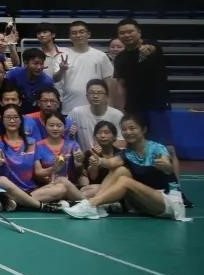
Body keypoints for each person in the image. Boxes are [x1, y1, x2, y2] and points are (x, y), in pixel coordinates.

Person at [65, 113, 185, 221]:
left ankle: (91, 204)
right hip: (145, 201)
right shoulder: (128, 153)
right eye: (124, 129)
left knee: (125, 181)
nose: (128, 132)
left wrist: (166, 166)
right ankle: (97, 206)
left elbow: (167, 166)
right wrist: (99, 160)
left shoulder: (157, 148)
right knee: (120, 170)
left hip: (168, 202)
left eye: (132, 128)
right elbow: (111, 163)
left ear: (143, 130)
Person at [0, 104, 78, 212]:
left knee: (61, 188)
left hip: (32, 191)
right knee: (1, 180)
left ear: (21, 120)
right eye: (8, 117)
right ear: (2, 120)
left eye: (16, 117)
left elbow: (38, 171)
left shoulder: (31, 142)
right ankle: (42, 206)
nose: (12, 120)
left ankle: (19, 202)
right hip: (9, 190)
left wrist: (54, 168)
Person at [113, 17, 172, 152]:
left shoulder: (153, 46)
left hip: (157, 106)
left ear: (139, 32)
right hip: (134, 109)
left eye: (130, 31)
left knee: (165, 147)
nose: (126, 35)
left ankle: (171, 167)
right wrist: (122, 110)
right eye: (122, 33)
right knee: (136, 146)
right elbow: (121, 85)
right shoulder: (120, 58)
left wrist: (147, 48)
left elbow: (152, 47)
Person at [69, 79, 124, 152]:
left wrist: (102, 149)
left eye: (100, 93)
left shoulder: (117, 115)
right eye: (91, 93)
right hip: (84, 157)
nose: (95, 96)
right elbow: (65, 134)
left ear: (107, 96)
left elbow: (122, 142)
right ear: (87, 96)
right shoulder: (76, 112)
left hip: (109, 156)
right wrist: (70, 134)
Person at [34, 112, 85, 188]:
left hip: (71, 185)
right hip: (48, 186)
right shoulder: (38, 146)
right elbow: (38, 172)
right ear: (45, 126)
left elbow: (79, 170)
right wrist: (54, 168)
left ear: (64, 127)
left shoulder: (72, 144)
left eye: (59, 125)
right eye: (51, 125)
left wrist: (79, 162)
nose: (55, 128)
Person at [81, 120, 123, 199]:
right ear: (95, 137)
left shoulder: (120, 154)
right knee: (85, 190)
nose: (103, 136)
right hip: (94, 188)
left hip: (114, 188)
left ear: (114, 136)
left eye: (106, 133)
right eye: (99, 133)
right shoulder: (89, 153)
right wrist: (96, 158)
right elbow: (93, 178)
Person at [6, 47, 53, 114]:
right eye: (35, 63)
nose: (39, 67)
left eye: (41, 64)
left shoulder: (47, 82)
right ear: (26, 63)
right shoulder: (14, 74)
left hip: (35, 114)